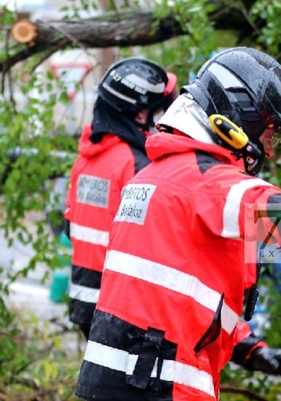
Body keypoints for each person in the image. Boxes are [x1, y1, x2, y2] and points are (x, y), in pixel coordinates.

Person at [74, 47, 281, 400]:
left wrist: (248, 347)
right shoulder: (204, 179)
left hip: (124, 379)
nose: (268, 152)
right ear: (240, 119)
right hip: (158, 382)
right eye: (269, 136)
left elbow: (177, 297)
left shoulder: (157, 177)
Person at [64, 57, 177, 338]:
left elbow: (70, 227)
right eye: (160, 109)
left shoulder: (87, 159)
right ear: (140, 115)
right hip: (120, 308)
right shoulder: (136, 165)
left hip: (85, 301)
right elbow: (154, 245)